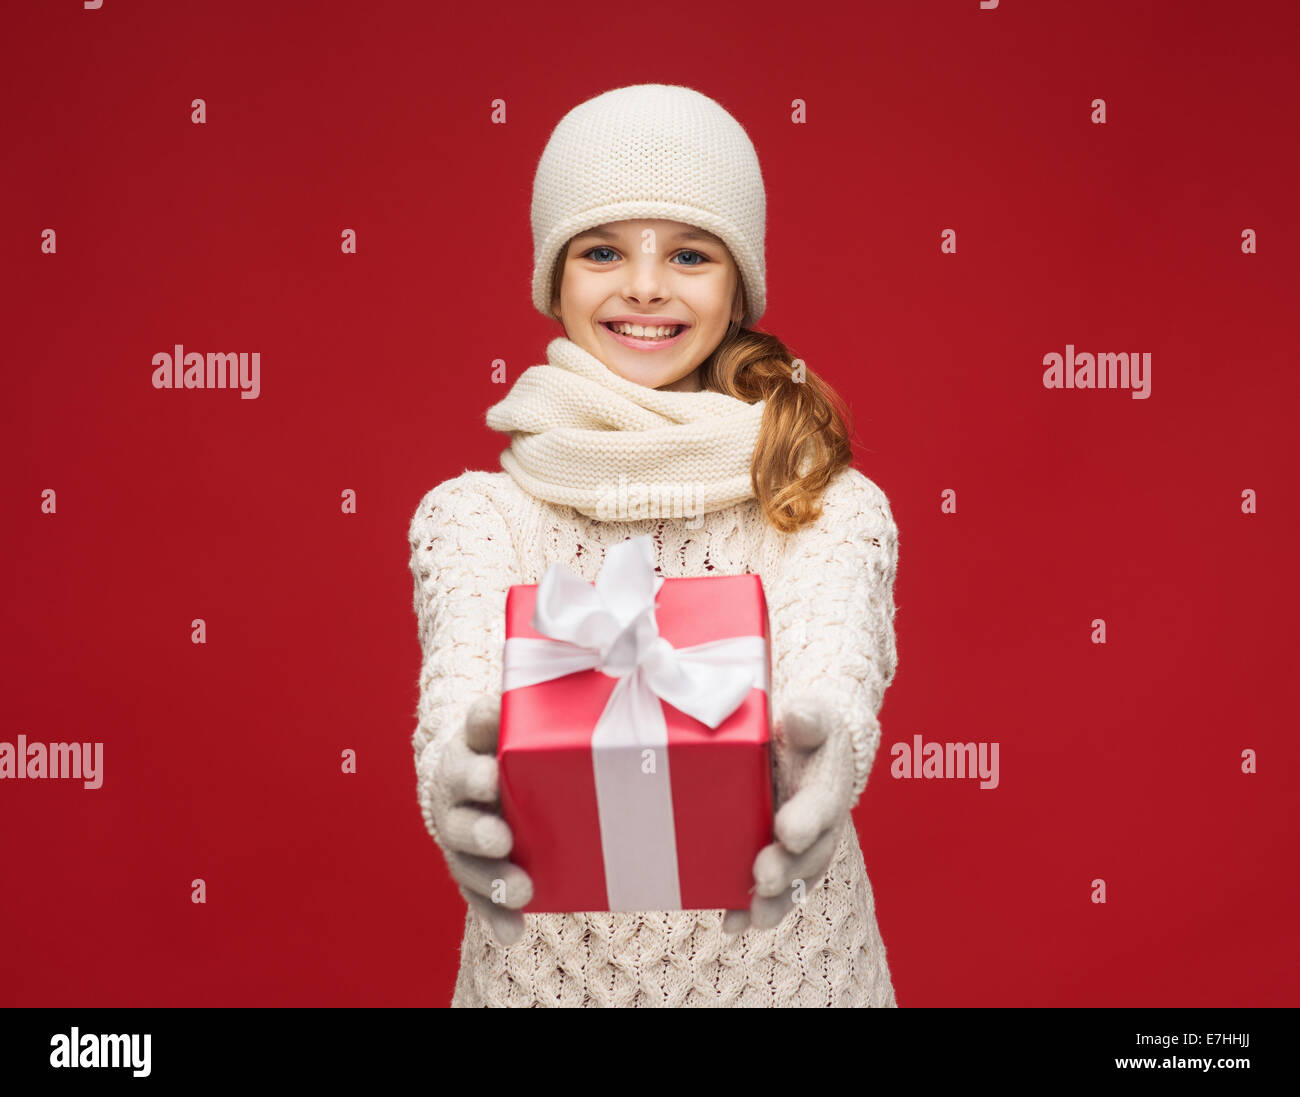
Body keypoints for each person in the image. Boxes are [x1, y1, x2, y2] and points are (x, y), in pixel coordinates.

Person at [408, 84, 901, 1006]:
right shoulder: (475, 516)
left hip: (798, 982)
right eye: (602, 250)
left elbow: (833, 673)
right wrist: (454, 778)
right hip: (542, 988)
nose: (643, 285)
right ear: (555, 277)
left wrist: (827, 747)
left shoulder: (825, 504)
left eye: (688, 252)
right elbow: (460, 697)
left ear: (738, 285)